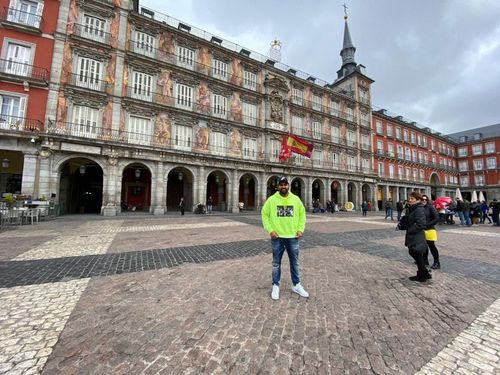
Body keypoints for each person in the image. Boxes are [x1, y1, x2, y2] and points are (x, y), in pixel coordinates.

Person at [261, 176, 308, 300]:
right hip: (277, 237)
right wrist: (270, 230)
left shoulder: (296, 199)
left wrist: (300, 229)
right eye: (281, 184)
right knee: (276, 263)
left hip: (293, 236)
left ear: (289, 186)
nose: (283, 186)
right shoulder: (271, 200)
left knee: (295, 262)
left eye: (285, 184)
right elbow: (264, 215)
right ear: (278, 186)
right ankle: (276, 285)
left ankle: (296, 284)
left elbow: (302, 215)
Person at [404, 192, 431, 282]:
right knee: (414, 253)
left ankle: (423, 274)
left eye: (412, 199)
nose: (410, 200)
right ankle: (424, 273)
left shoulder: (418, 209)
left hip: (416, 235)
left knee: (415, 252)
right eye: (410, 198)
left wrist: (410, 229)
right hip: (413, 234)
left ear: (418, 200)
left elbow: (421, 224)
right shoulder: (412, 208)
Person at [422, 195, 440, 269]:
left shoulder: (430, 207)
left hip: (430, 229)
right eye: (422, 199)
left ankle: (437, 262)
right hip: (421, 230)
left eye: (425, 199)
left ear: (427, 200)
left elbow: (436, 218)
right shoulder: (419, 208)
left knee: (432, 246)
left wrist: (427, 225)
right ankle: (425, 261)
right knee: (424, 246)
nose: (423, 201)